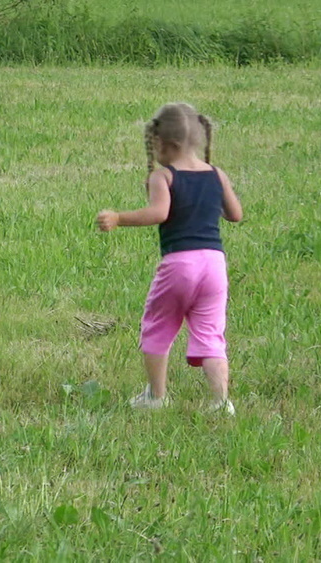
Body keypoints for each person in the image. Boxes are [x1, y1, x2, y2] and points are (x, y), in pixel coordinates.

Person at [97, 102, 243, 412]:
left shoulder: (164, 177)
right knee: (210, 333)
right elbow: (236, 214)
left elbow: (159, 212)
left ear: (166, 144)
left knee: (158, 325)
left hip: (180, 264)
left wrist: (119, 217)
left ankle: (156, 396)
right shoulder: (217, 174)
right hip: (215, 265)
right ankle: (221, 402)